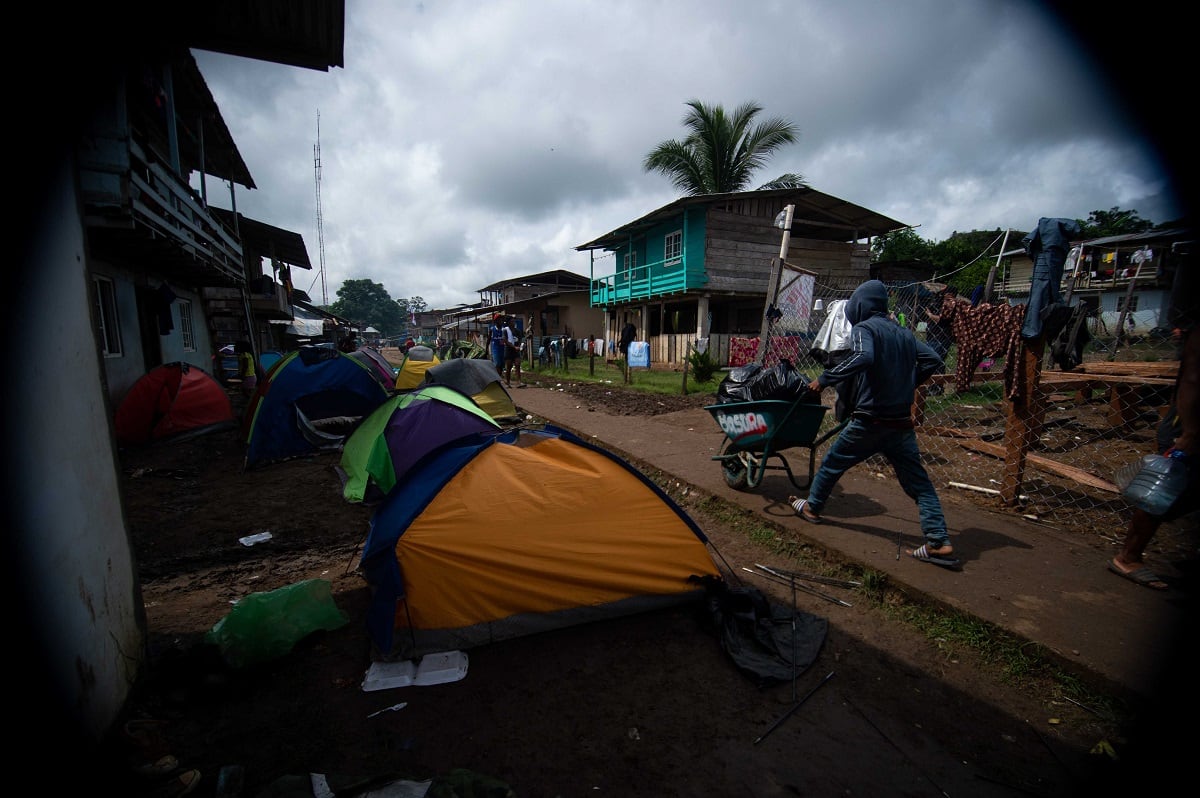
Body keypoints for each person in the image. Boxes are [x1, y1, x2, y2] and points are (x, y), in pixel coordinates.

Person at [789, 279, 959, 568]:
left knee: (832, 463)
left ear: (860, 306)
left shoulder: (864, 329)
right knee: (919, 484)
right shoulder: (904, 334)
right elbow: (931, 359)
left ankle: (812, 508)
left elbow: (864, 356)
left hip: (870, 421)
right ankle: (938, 540)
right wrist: (907, 385)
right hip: (900, 425)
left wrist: (825, 379)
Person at [1108, 323, 1198, 589]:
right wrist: (1191, 432)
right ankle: (1129, 556)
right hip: (1189, 427)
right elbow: (1192, 379)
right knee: (1159, 492)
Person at [503, 317, 525, 388]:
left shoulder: (517, 331)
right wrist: (513, 346)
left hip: (516, 350)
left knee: (517, 364)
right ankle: (508, 382)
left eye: (514, 321)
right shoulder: (505, 330)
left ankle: (519, 382)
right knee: (509, 366)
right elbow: (505, 341)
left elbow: (520, 339)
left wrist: (518, 346)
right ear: (509, 323)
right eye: (512, 321)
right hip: (508, 350)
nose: (513, 323)